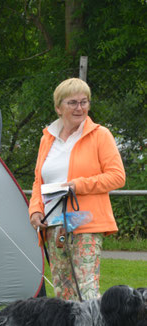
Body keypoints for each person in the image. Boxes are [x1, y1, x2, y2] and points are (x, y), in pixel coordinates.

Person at [29, 78, 125, 301]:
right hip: (52, 225)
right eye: (72, 102)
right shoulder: (47, 139)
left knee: (87, 290)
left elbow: (118, 176)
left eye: (84, 102)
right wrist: (35, 210)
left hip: (85, 223)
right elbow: (38, 181)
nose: (79, 108)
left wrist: (78, 185)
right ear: (58, 107)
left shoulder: (100, 135)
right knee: (64, 293)